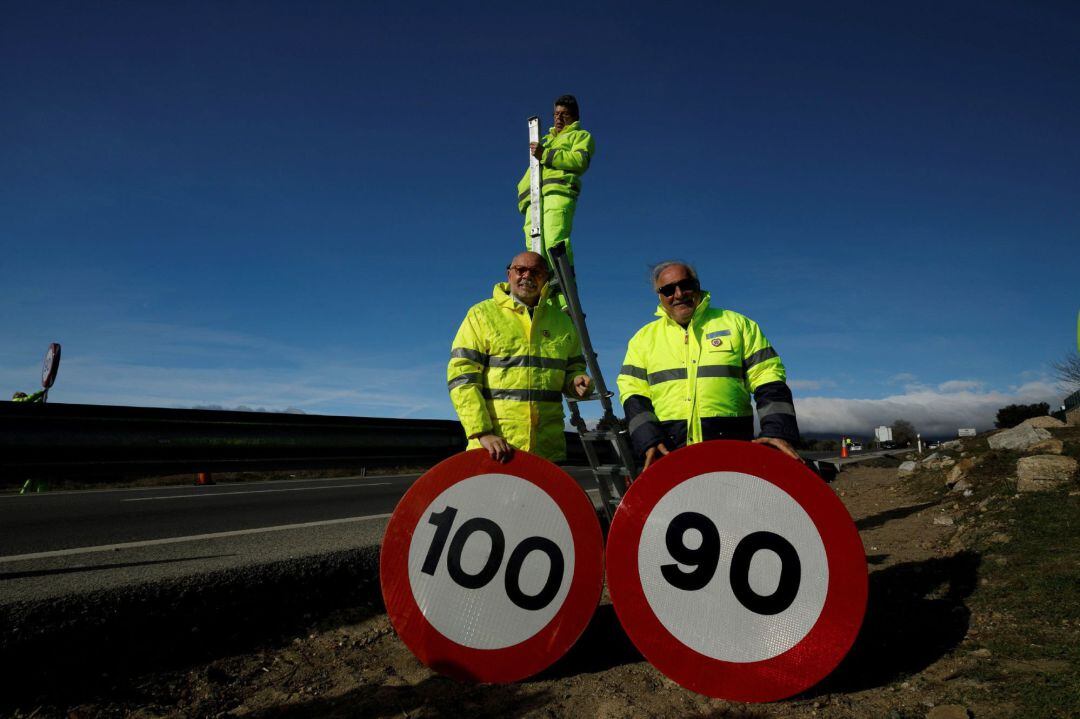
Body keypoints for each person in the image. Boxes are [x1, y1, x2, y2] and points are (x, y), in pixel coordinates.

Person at [617, 261, 801, 469]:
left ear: (697, 285)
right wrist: (647, 439)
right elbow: (633, 391)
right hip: (668, 451)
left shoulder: (739, 325)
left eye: (685, 285)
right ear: (659, 296)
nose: (678, 294)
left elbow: (768, 377)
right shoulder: (643, 339)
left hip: (732, 447)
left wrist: (777, 431)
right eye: (668, 290)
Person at [448, 251, 592, 462]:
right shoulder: (481, 315)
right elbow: (462, 377)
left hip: (547, 449)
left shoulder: (562, 322)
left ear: (546, 279)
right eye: (520, 270)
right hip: (495, 448)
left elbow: (573, 369)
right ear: (509, 274)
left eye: (536, 271)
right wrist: (481, 433)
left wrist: (577, 380)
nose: (527, 276)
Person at [516, 94, 595, 267]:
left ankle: (563, 288)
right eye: (555, 114)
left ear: (574, 116)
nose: (558, 118)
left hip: (557, 193)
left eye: (564, 114)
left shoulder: (580, 136)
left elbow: (579, 161)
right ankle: (541, 288)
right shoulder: (546, 140)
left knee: (554, 242)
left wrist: (545, 154)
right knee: (533, 249)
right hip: (534, 200)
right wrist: (523, 192)